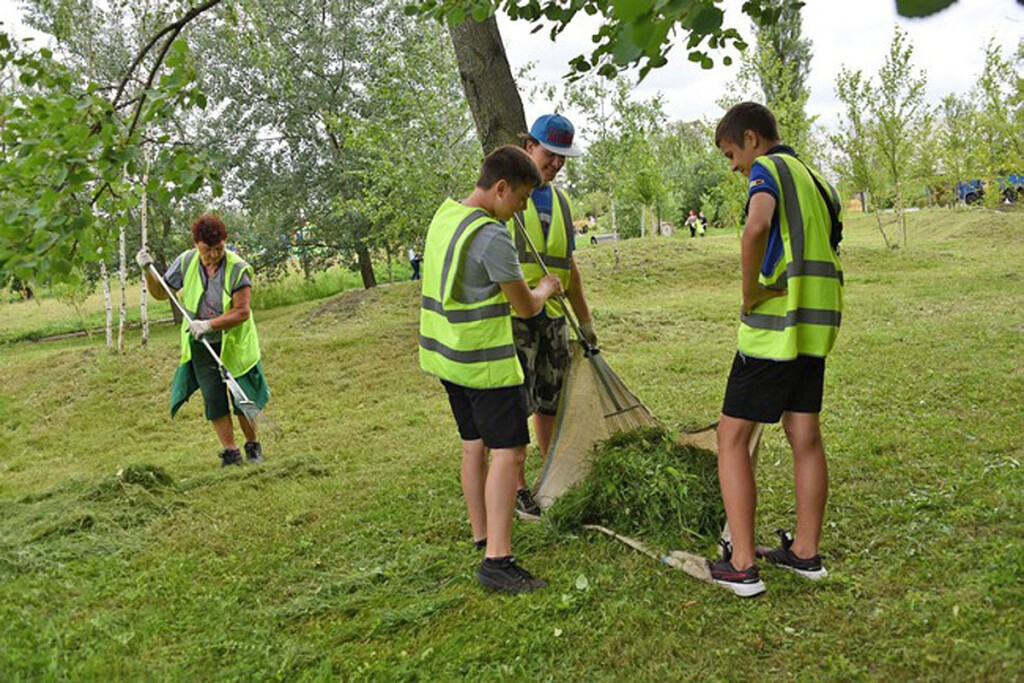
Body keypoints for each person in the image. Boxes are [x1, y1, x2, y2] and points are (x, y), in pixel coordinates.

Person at [710, 102, 844, 598]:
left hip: (774, 327)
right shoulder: (818, 181)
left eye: (732, 154)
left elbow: (757, 228)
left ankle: (742, 564)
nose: (734, 167)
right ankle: (805, 552)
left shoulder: (767, 169)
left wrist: (750, 292)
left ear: (751, 139)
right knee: (803, 433)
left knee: (731, 438)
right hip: (815, 324)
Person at [419, 145, 562, 594]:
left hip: (447, 357)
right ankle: (498, 560)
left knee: (473, 446)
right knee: (510, 452)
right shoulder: (491, 235)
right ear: (501, 188)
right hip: (484, 363)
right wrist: (546, 287)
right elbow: (525, 307)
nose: (521, 209)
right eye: (521, 198)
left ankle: (482, 534)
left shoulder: (446, 217)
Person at [510, 113, 597, 518]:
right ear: (529, 147)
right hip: (515, 317)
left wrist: (586, 320)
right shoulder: (508, 198)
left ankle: (550, 474)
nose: (557, 163)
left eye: (563, 157)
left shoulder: (561, 202)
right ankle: (517, 488)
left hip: (555, 317)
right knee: (516, 404)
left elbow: (569, 267)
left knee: (550, 403)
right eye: (551, 153)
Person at [136, 214, 271, 468]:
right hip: (201, 344)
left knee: (242, 398)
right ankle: (230, 453)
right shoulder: (186, 261)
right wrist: (147, 272)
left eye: (218, 248)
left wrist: (209, 324)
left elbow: (242, 311)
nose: (214, 255)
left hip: (235, 343)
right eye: (207, 250)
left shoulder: (238, 268)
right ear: (196, 244)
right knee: (213, 398)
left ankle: (253, 446)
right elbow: (161, 293)